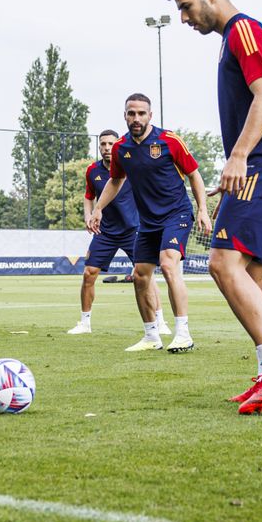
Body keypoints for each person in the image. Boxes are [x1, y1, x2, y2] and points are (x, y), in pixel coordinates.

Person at [167, 0, 262, 414]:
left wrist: (239, 157)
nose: (185, 19)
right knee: (251, 275)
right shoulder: (232, 40)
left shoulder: (243, 31)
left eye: (187, 7)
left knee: (221, 263)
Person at [87, 94, 208, 353]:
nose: (136, 118)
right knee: (140, 276)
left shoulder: (169, 141)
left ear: (150, 116)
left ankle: (183, 334)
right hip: (148, 222)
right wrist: (98, 209)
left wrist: (203, 210)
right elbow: (115, 181)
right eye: (131, 113)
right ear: (125, 116)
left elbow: (194, 175)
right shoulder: (121, 148)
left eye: (141, 113)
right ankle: (151, 336)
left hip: (177, 214)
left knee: (167, 263)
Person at [67, 129, 153, 335]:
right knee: (89, 274)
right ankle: (85, 323)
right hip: (105, 232)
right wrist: (88, 216)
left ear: (118, 145)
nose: (107, 148)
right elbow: (88, 196)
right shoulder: (92, 171)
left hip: (134, 230)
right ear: (99, 147)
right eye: (103, 144)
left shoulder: (131, 167)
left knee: (144, 275)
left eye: (111, 144)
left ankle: (159, 321)